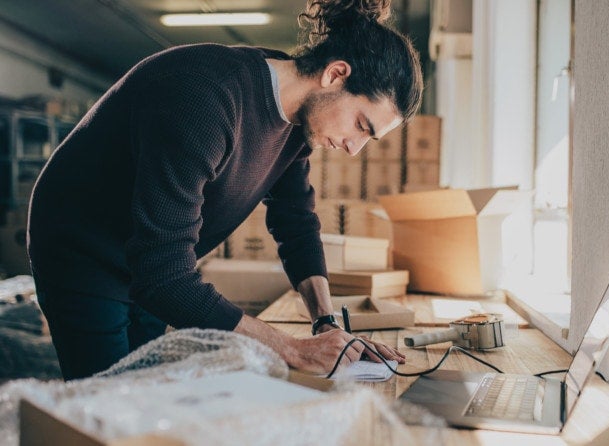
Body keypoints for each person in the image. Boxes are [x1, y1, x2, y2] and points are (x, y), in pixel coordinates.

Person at [27, 0, 423, 381]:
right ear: (335, 75)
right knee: (104, 408)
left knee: (141, 389)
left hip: (146, 257)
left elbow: (296, 222)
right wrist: (292, 349)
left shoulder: (299, 119)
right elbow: (162, 278)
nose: (355, 149)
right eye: (361, 126)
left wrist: (325, 324)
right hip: (81, 250)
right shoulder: (207, 99)